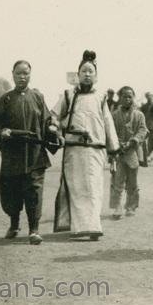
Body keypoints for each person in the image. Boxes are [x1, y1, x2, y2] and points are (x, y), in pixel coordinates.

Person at [0, 60, 58, 245]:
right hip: (13, 156)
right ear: (12, 74)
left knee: (34, 192)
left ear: (30, 75)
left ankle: (34, 230)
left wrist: (52, 127)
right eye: (18, 73)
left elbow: (47, 120)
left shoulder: (38, 98)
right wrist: (2, 132)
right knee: (12, 192)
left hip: (35, 155)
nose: (22, 77)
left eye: (25, 73)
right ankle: (14, 224)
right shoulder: (6, 99)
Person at [51, 50, 119, 241]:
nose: (87, 74)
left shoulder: (102, 98)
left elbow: (108, 123)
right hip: (74, 150)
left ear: (96, 77)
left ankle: (94, 226)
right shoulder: (68, 95)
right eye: (84, 71)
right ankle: (79, 227)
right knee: (77, 188)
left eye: (91, 71)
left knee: (94, 188)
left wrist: (114, 149)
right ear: (78, 75)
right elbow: (54, 115)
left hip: (96, 149)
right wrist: (55, 127)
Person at [109, 86, 148, 219]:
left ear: (133, 98)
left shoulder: (139, 115)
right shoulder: (113, 115)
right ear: (119, 98)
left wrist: (134, 140)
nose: (127, 99)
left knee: (133, 181)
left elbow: (143, 130)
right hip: (118, 152)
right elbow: (110, 131)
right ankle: (117, 207)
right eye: (124, 96)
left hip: (133, 151)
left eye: (130, 96)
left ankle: (131, 206)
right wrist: (117, 143)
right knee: (117, 180)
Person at [139, 92, 153, 166]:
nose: (149, 98)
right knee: (145, 143)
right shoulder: (144, 107)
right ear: (146, 98)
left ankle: (148, 156)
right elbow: (141, 116)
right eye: (148, 97)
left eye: (150, 96)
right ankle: (145, 160)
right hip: (146, 126)